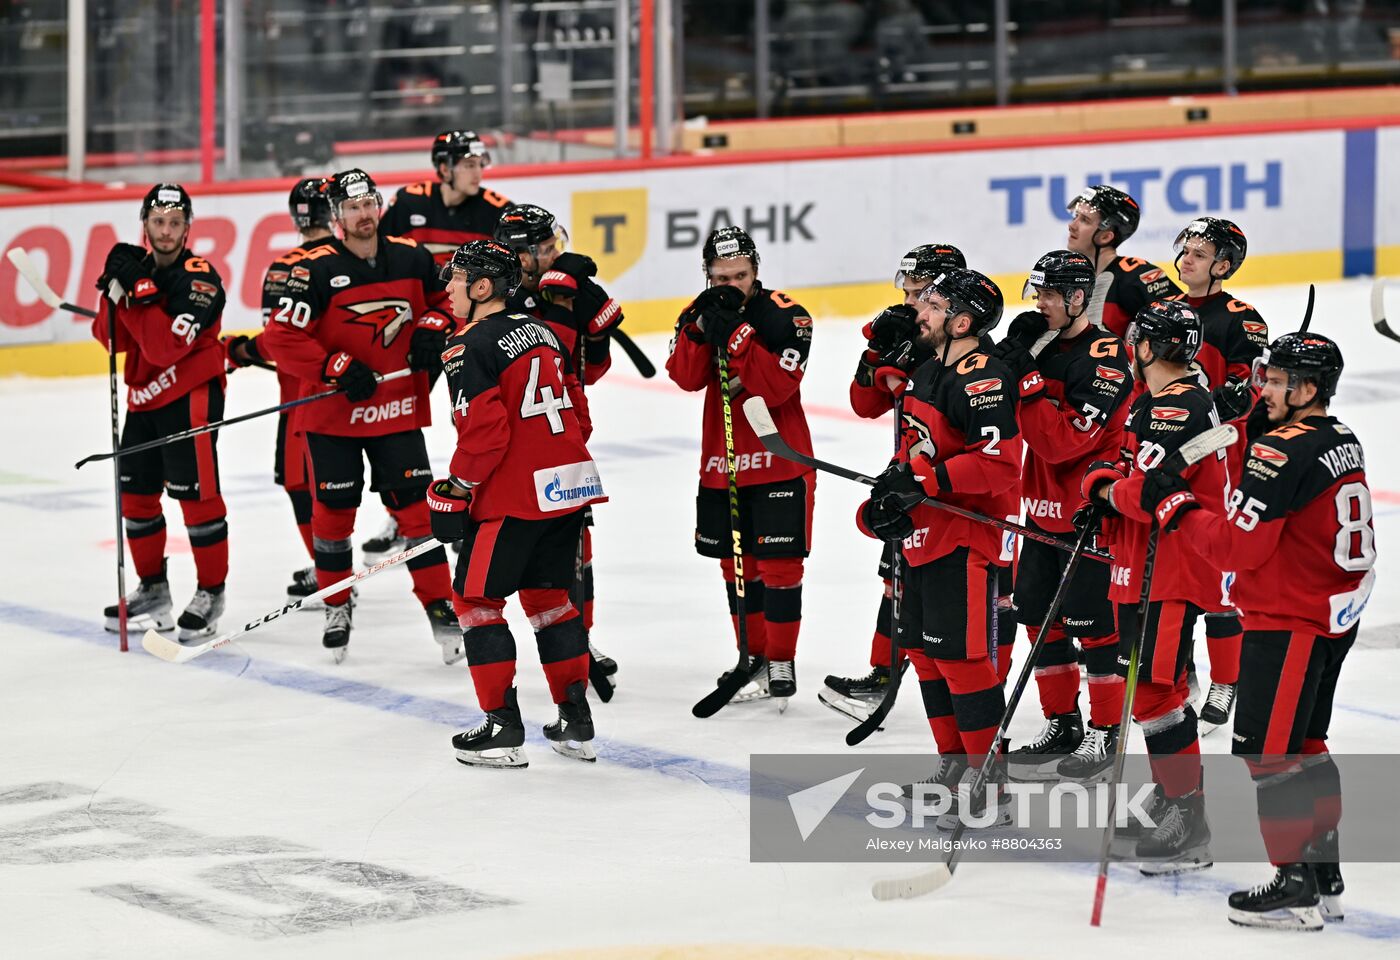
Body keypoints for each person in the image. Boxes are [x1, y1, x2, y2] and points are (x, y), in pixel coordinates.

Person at [1141, 331, 1372, 931]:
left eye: (1274, 382)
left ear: (1307, 389)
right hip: (1330, 615)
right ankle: (1324, 875)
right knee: (1307, 745)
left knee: (1270, 755)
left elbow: (1235, 549)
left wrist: (1174, 506)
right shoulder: (1341, 436)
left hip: (1286, 618)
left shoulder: (1278, 453)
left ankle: (1293, 885)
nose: (1261, 388)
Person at [260, 168, 458, 664]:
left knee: (418, 515)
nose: (364, 215)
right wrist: (332, 365)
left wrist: (435, 325)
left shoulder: (410, 256)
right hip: (333, 419)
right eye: (352, 208)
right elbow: (281, 338)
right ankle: (337, 603)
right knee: (333, 519)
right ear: (336, 216)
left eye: (369, 204)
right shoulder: (315, 269)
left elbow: (451, 301)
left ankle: (441, 606)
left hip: (396, 412)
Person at [429, 239, 606, 768]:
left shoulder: (466, 346)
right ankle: (575, 721)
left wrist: (457, 489)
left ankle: (502, 727)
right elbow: (580, 414)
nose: (450, 289)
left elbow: (484, 434)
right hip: (567, 486)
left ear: (483, 287)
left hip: (513, 496)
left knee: (476, 603)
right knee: (551, 602)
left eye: (458, 279)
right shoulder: (546, 334)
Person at [858, 269, 1022, 820]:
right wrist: (887, 496)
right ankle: (954, 768)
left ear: (962, 320)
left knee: (964, 660)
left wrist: (924, 483)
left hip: (965, 540)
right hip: (922, 537)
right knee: (926, 657)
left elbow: (1000, 466)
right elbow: (912, 452)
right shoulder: (926, 370)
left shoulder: (983, 377)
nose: (919, 312)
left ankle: (990, 785)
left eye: (931, 305)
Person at [1081, 299, 1224, 874]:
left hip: (1167, 567)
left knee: (1156, 693)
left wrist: (1100, 492)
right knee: (1152, 689)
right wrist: (1106, 484)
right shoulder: (1161, 401)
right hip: (1142, 563)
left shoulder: (1179, 406)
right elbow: (1125, 468)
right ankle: (1173, 797)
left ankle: (1188, 818)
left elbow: (1142, 494)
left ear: (1147, 347)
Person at [994, 250, 1133, 781]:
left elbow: (1060, 443)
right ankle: (1063, 721)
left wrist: (1026, 379)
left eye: (1052, 294)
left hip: (1088, 514)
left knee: (1095, 629)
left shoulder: (1105, 357)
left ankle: (1105, 733)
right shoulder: (1043, 343)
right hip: (1041, 511)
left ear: (1079, 298)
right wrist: (1005, 368)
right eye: (1039, 293)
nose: (1042, 303)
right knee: (1037, 617)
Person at [666, 226, 816, 704]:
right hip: (723, 460)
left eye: (741, 275)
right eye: (721, 277)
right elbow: (685, 378)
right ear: (707, 275)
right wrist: (697, 330)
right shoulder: (698, 312)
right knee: (737, 567)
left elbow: (777, 389)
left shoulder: (789, 316)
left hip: (779, 457)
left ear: (757, 270)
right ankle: (750, 657)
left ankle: (781, 658)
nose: (731, 283)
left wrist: (737, 335)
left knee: (780, 564)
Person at [821, 242, 966, 722]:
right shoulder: (916, 332)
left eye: (919, 293)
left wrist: (893, 366)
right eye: (906, 290)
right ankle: (883, 673)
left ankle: (955, 685)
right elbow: (864, 404)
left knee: (941, 591)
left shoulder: (959, 344)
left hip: (946, 487)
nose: (908, 302)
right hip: (908, 478)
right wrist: (875, 352)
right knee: (894, 579)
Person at [366, 129, 514, 562]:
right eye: (468, 163)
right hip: (412, 332)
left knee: (470, 420)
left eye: (480, 163)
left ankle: (471, 496)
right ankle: (405, 511)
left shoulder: (495, 211)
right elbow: (381, 260)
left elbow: (505, 284)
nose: (478, 171)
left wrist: (443, 320)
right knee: (398, 417)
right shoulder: (409, 202)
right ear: (444, 168)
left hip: (476, 336)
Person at [494, 204, 625, 686]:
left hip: (565, 440)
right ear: (519, 256)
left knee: (577, 549)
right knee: (523, 560)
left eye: (556, 244)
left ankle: (578, 640)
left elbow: (583, 371)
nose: (555, 254)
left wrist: (600, 334)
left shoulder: (550, 292)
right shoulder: (499, 302)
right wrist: (566, 308)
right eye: (545, 249)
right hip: (517, 449)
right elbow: (549, 354)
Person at [94, 183, 231, 643]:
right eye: (158, 222)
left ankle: (212, 591)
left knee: (197, 499)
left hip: (190, 397)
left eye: (175, 223)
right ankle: (153, 589)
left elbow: (165, 346)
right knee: (136, 498)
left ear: (187, 227)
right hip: (144, 400)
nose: (166, 231)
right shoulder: (140, 269)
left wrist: (134, 293)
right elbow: (108, 338)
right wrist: (115, 288)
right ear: (145, 226)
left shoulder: (201, 279)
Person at [1168, 216, 1270, 729]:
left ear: (1223, 266)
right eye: (1185, 250)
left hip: (1221, 457)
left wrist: (1237, 393)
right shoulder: (1164, 312)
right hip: (1170, 452)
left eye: (1200, 254)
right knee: (1175, 573)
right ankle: (1181, 676)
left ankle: (1227, 680)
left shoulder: (1241, 318)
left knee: (1219, 576)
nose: (1186, 259)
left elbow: (1250, 388)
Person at [225, 177, 339, 608]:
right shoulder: (357, 257)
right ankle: (335, 562)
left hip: (302, 398)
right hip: (355, 386)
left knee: (300, 483)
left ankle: (330, 568)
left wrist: (240, 349)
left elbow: (279, 341)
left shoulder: (285, 267)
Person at [1064, 184, 1179, 340]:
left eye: (1084, 220)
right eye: (1075, 216)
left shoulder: (1136, 276)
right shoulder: (1071, 276)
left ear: (1105, 237)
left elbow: (1181, 324)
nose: (1072, 226)